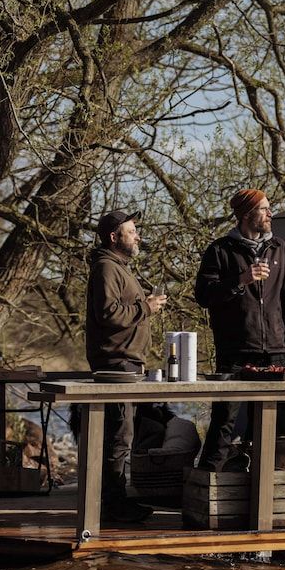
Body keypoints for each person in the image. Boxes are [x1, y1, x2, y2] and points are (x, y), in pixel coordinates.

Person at [194, 188, 285, 471]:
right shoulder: (220, 250)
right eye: (264, 209)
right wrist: (240, 280)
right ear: (246, 215)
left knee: (270, 421)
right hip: (235, 349)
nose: (270, 214)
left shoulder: (280, 248)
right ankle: (208, 484)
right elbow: (204, 295)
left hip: (276, 351)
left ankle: (264, 483)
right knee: (224, 420)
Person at [85, 209, 167, 522]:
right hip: (116, 364)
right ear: (113, 237)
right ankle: (113, 506)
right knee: (119, 436)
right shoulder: (107, 267)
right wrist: (145, 307)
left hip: (125, 363)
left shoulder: (117, 267)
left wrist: (141, 306)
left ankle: (114, 502)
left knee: (121, 434)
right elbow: (108, 314)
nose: (138, 237)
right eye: (131, 231)